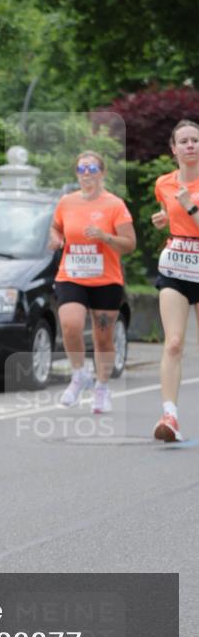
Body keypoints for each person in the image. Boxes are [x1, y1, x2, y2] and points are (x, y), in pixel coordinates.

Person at [49, 151, 136, 413]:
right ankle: (79, 375)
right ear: (76, 173)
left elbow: (130, 244)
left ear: (103, 173)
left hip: (105, 280)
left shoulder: (115, 205)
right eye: (81, 168)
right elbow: (56, 227)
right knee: (70, 325)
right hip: (72, 275)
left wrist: (104, 237)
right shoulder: (66, 202)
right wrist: (55, 238)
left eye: (92, 168)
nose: (86, 173)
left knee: (103, 339)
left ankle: (102, 388)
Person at [150, 119, 199, 442]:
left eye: (196, 140)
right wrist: (165, 219)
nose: (191, 145)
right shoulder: (163, 184)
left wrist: (189, 206)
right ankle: (170, 416)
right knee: (174, 343)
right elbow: (170, 215)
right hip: (176, 266)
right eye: (184, 141)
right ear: (173, 148)